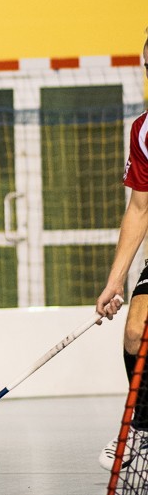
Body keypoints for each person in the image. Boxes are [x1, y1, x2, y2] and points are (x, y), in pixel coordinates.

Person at [96, 30, 148, 470]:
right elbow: (139, 208)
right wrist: (115, 282)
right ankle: (142, 432)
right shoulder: (144, 130)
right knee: (135, 331)